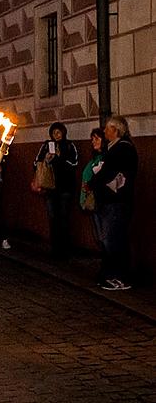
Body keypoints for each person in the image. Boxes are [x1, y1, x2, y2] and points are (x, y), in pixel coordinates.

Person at [85, 116, 138, 291]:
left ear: (116, 130)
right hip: (112, 201)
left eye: (108, 128)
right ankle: (111, 275)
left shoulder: (122, 148)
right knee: (110, 238)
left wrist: (93, 182)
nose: (105, 131)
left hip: (116, 201)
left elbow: (109, 172)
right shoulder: (114, 148)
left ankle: (116, 276)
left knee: (112, 239)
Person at [34, 122, 79, 259]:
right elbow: (36, 162)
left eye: (58, 132)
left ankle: (65, 248)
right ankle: (55, 248)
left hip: (65, 187)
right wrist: (47, 160)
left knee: (64, 217)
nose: (56, 135)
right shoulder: (47, 145)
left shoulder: (69, 145)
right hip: (50, 187)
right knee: (53, 217)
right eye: (54, 133)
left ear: (63, 133)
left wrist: (59, 158)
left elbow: (74, 163)